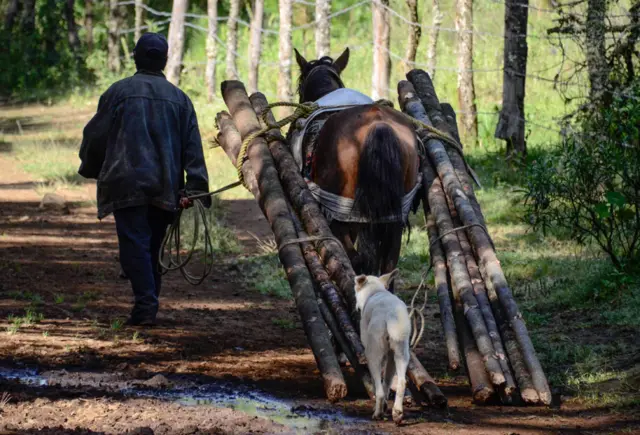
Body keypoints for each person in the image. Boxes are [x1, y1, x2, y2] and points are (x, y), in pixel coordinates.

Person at [78, 33, 210, 326]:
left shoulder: (117, 92)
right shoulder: (181, 99)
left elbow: (95, 136)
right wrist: (195, 188)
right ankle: (147, 304)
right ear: (164, 60)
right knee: (152, 246)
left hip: (126, 184)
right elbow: (193, 148)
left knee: (135, 246)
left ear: (135, 57)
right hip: (166, 187)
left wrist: (91, 166)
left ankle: (145, 307)